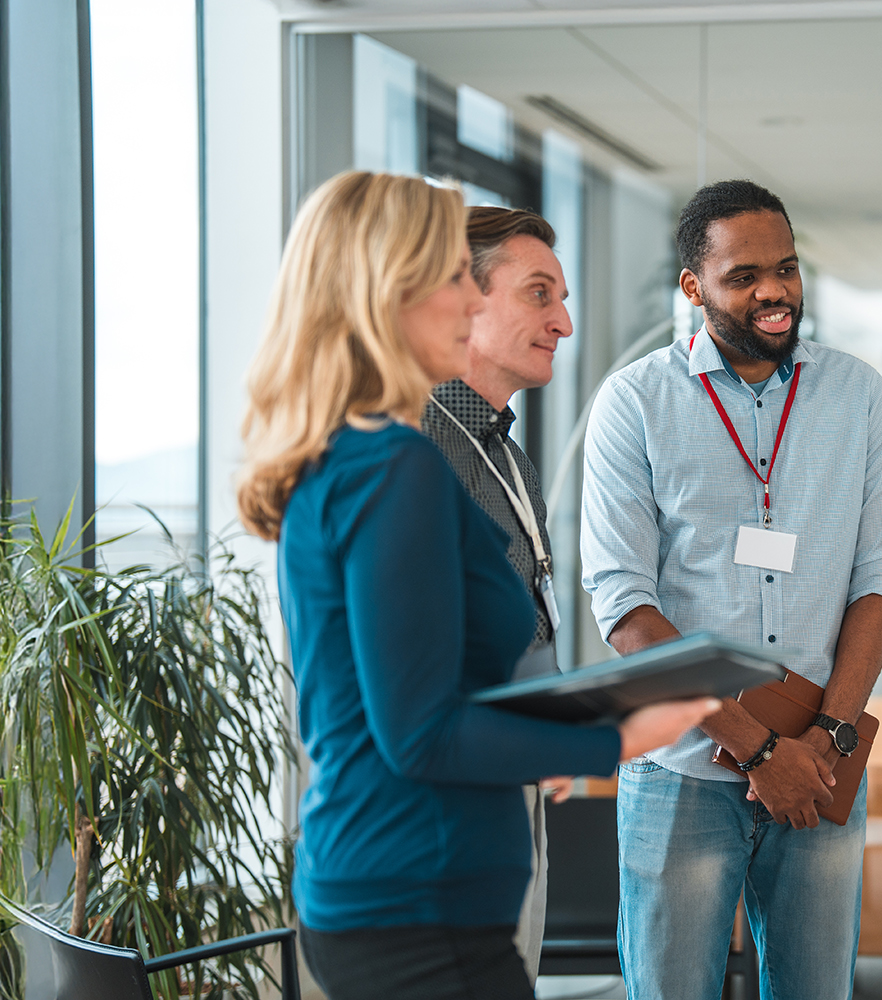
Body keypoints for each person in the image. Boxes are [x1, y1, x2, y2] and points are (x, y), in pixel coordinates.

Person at [235, 171, 716, 1000]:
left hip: (392, 887)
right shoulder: (397, 467)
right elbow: (420, 734)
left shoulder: (342, 456)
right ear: (395, 290)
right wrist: (620, 739)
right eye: (457, 277)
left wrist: (544, 734)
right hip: (421, 899)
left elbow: (409, 688)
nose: (469, 299)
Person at [579, 179, 882, 1000]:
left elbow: (881, 577)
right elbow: (624, 606)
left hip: (822, 761)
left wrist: (825, 741)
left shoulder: (859, 395)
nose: (775, 291)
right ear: (693, 289)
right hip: (682, 769)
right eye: (745, 275)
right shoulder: (636, 401)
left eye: (788, 269)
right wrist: (758, 749)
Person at [418, 206, 574, 980]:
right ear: (465, 299)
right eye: (540, 295)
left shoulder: (510, 457)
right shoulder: (411, 442)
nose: (565, 322)